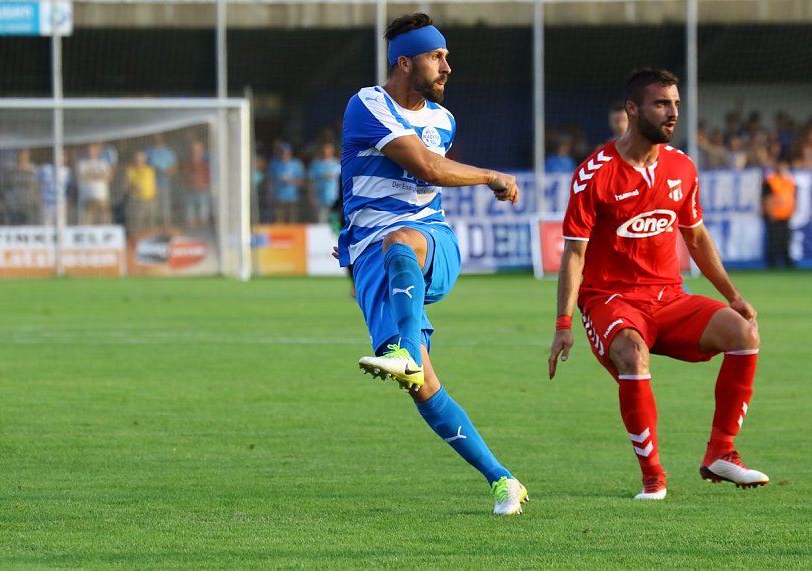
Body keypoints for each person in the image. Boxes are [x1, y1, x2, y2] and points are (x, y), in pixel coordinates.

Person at [335, 13, 528, 516]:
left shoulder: (443, 120)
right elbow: (421, 166)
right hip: (376, 260)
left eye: (445, 56)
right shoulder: (367, 104)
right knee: (423, 385)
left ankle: (403, 348)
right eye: (436, 57)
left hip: (431, 242)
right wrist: (352, 240)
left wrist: (485, 176)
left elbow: (426, 177)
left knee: (403, 237)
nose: (447, 66)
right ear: (405, 61)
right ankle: (503, 480)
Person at [548, 68, 768, 501]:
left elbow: (697, 237)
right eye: (661, 104)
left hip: (669, 297)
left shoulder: (682, 167)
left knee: (744, 334)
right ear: (632, 109)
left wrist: (734, 297)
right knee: (632, 353)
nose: (672, 114)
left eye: (676, 105)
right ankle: (654, 478)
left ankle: (721, 453)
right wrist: (563, 323)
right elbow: (574, 253)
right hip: (611, 300)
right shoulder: (594, 174)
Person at [761, 158, 796, 268]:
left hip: (786, 215)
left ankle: (787, 260)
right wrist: (769, 213)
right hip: (774, 215)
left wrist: (793, 210)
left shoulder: (789, 181)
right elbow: (766, 198)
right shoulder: (770, 180)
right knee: (774, 239)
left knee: (786, 239)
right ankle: (773, 262)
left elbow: (792, 197)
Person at [0, 148, 39, 225]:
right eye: (20, 155)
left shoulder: (34, 169)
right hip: (13, 204)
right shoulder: (10, 169)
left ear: (28, 156)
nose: (22, 157)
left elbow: (37, 185)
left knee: (29, 225)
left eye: (24, 155)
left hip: (29, 204)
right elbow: (5, 184)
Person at [77, 142, 113, 225]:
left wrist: (92, 175)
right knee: (87, 221)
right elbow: (83, 176)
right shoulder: (82, 163)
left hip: (102, 196)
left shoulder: (103, 163)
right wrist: (99, 176)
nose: (91, 152)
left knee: (105, 219)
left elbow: (108, 176)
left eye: (94, 150)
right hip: (87, 197)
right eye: (89, 150)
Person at [268, 142, 304, 223]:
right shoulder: (274, 164)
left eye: (286, 152)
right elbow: (270, 180)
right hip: (278, 198)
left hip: (292, 198)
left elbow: (302, 181)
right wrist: (270, 194)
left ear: (290, 152)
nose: (284, 154)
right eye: (282, 152)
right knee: (279, 221)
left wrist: (290, 181)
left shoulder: (296, 164)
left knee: (292, 221)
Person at [146, 133, 178, 226]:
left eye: (159, 138)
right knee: (153, 208)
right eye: (155, 138)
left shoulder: (168, 152)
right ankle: (154, 226)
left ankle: (167, 225)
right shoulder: (148, 151)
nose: (157, 140)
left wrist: (163, 171)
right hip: (150, 185)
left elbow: (174, 169)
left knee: (165, 206)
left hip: (165, 183)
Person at [180, 139, 211, 228]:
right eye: (194, 150)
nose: (196, 152)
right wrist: (189, 183)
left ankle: (203, 227)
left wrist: (204, 184)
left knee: (203, 214)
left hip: (202, 190)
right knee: (190, 215)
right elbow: (183, 176)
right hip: (189, 190)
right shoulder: (186, 163)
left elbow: (208, 177)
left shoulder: (205, 164)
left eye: (198, 150)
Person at [308, 142, 341, 223]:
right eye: (324, 150)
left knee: (335, 223)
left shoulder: (337, 164)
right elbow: (311, 182)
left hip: (335, 199)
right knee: (321, 223)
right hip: (320, 199)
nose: (326, 152)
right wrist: (312, 198)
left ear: (332, 151)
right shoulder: (316, 164)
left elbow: (342, 183)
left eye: (328, 150)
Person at [125, 150, 158, 231]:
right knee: (137, 221)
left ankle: (150, 237)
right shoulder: (130, 170)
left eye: (141, 159)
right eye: (137, 159)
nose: (139, 161)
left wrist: (155, 192)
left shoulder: (149, 170)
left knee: (151, 220)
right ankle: (137, 238)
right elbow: (127, 184)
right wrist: (135, 186)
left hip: (150, 199)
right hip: (137, 200)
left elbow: (153, 182)